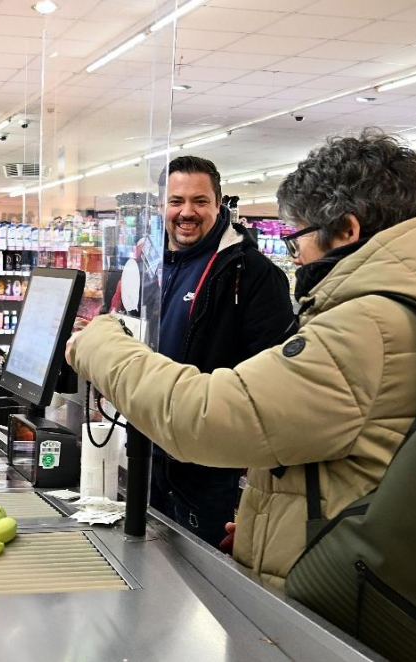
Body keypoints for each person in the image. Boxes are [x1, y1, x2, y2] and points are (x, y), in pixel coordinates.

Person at [67, 130, 416, 588]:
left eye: (295, 236)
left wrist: (102, 340)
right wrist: (274, 524)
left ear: (346, 230)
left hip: (343, 585)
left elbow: (205, 416)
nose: (295, 255)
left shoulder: (370, 324)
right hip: (360, 551)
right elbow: (364, 455)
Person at [134, 155, 295, 547]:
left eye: (200, 201)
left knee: (200, 581)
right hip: (150, 452)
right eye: (176, 201)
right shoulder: (148, 265)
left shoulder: (251, 274)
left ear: (219, 204)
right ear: (161, 207)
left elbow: (273, 382)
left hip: (212, 467)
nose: (187, 212)